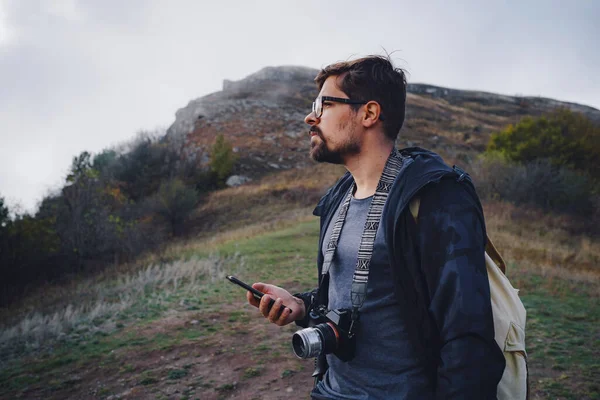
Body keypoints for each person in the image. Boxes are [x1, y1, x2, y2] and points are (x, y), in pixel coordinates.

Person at [246, 55, 505, 399]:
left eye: (324, 105)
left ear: (368, 113)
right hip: (330, 390)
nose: (311, 117)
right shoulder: (338, 198)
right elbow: (363, 298)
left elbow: (467, 338)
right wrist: (302, 305)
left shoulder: (435, 198)